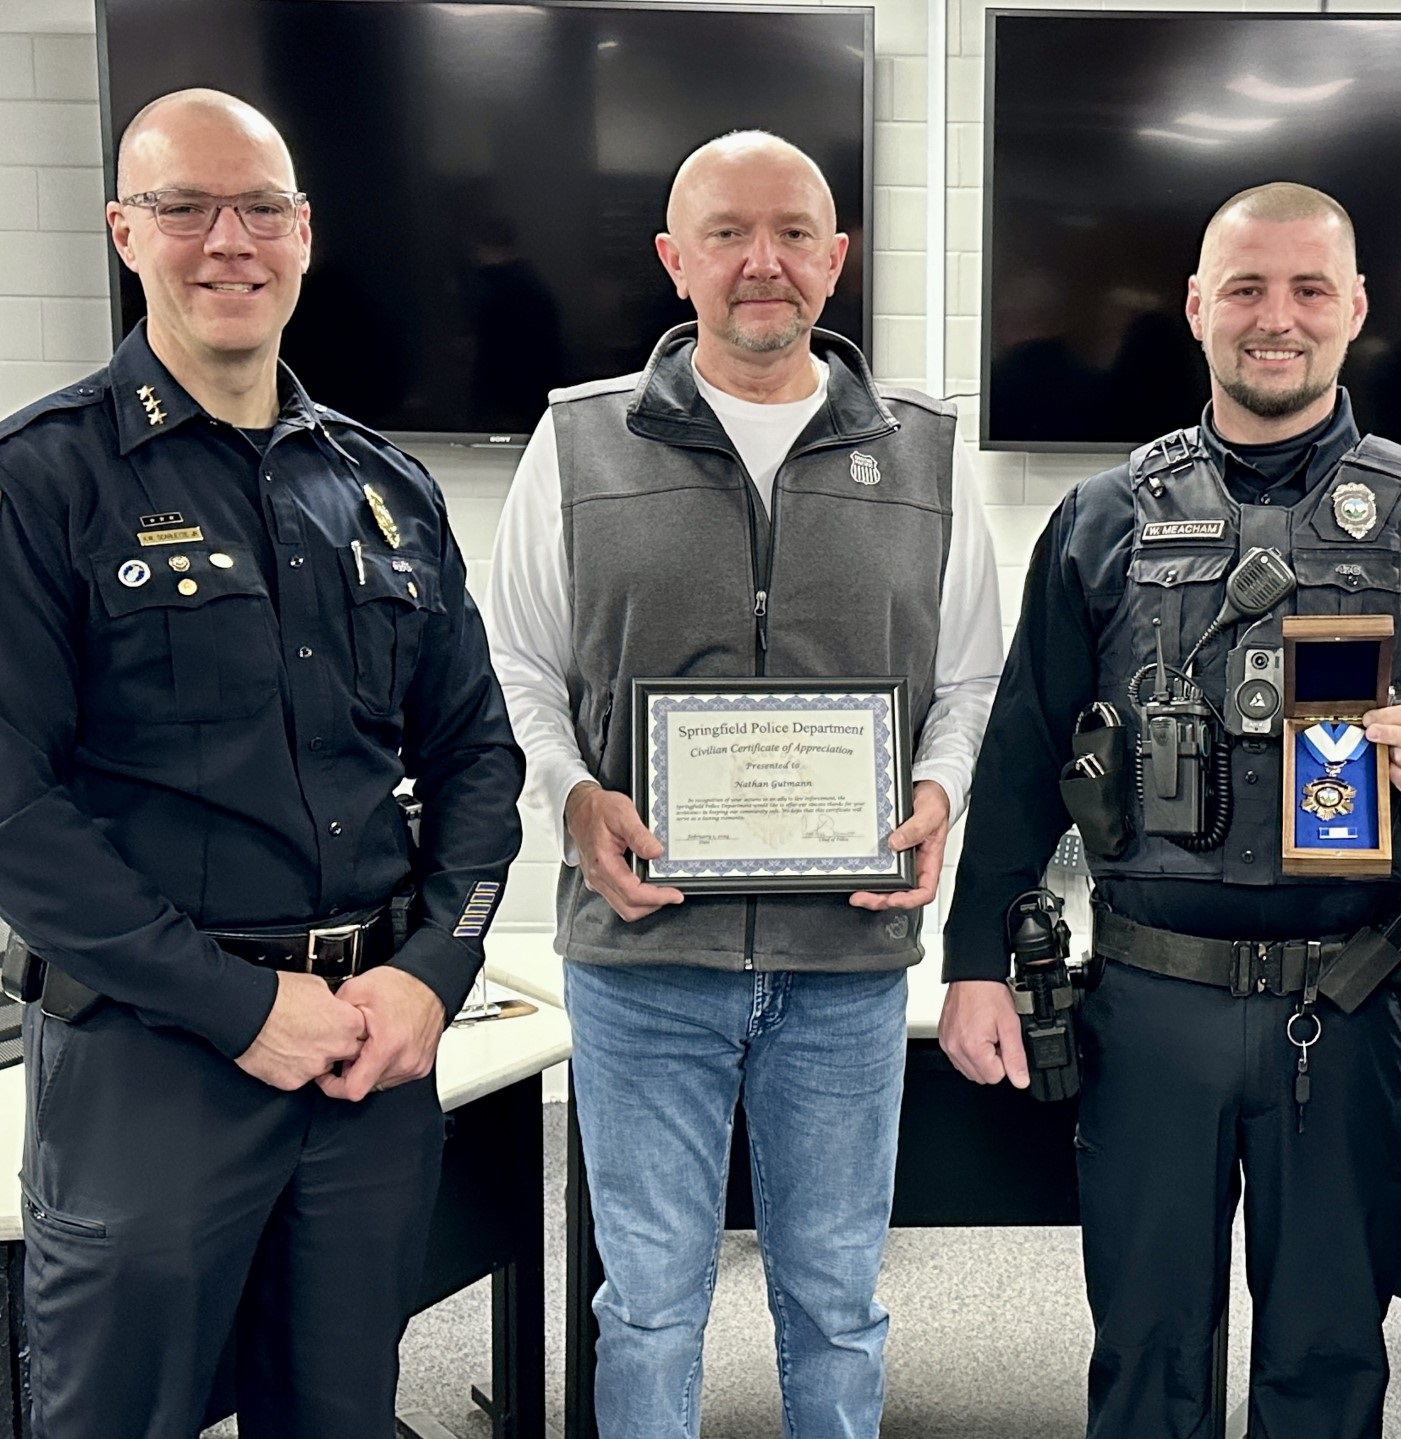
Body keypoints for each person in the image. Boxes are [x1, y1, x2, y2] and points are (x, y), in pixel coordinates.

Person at [940, 181, 1401, 1438]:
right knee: (1145, 1351)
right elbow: (1025, 748)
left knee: (1328, 1351)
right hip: (1151, 1005)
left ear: (1355, 307)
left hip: (1350, 1003)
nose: (1278, 318)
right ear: (1199, 305)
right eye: (1248, 288)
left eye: (1309, 289)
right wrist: (975, 957)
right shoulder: (1101, 519)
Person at [0, 89, 524, 1435]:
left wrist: (433, 971)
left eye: (260, 208)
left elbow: (477, 755)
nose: (227, 239)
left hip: (367, 1059)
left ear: (304, 232)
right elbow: (12, 810)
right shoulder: (42, 482)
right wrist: (237, 1005)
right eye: (184, 207)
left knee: (342, 1409)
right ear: (125, 230)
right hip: (151, 1055)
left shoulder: (384, 490)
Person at [486, 130, 1001, 1438]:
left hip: (847, 958)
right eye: (727, 233)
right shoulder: (577, 440)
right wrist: (574, 797)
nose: (761, 261)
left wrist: (939, 789)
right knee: (649, 1306)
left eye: (791, 233)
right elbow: (518, 663)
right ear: (676, 259)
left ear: (837, 258)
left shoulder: (929, 453)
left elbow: (969, 677)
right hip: (642, 960)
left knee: (836, 1302)